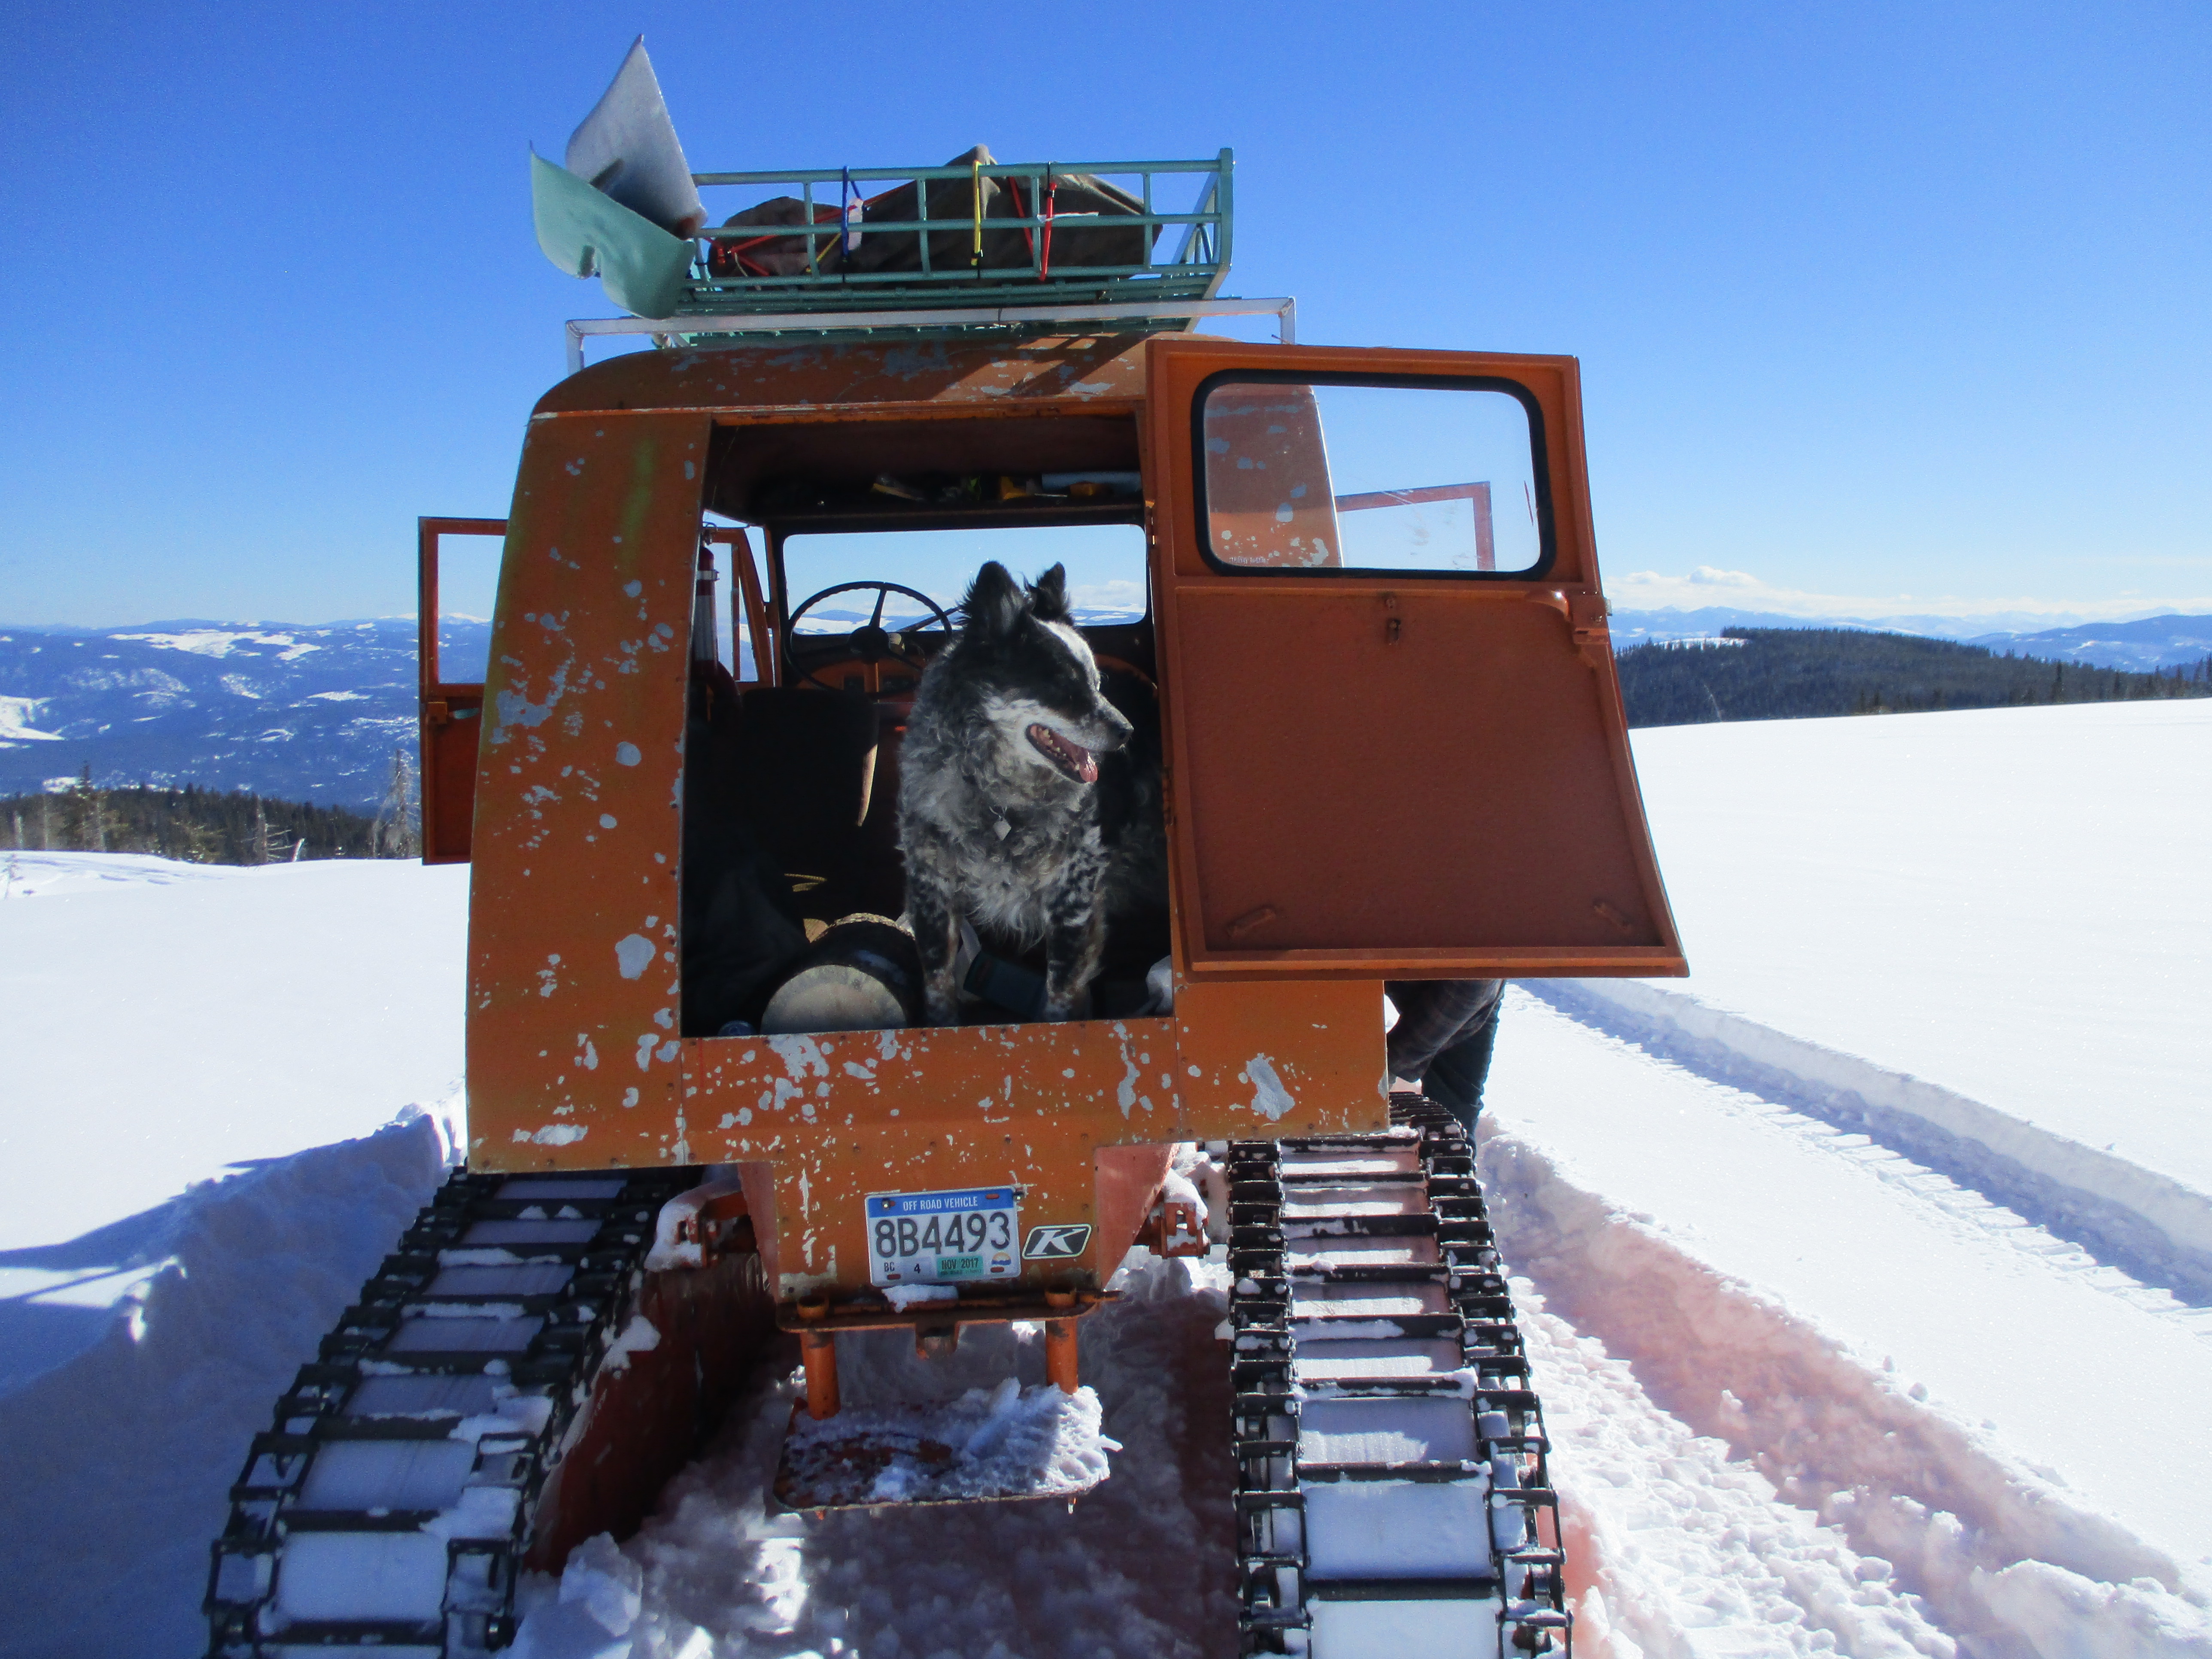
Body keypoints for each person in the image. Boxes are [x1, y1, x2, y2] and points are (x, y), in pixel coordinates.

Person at [1384, 979, 1504, 1135]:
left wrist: (1388, 1063)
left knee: (1451, 1120)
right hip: (1364, 966)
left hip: (1463, 993)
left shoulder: (1477, 974)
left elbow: (1469, 994)